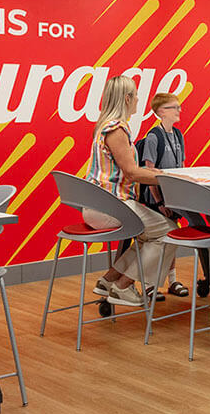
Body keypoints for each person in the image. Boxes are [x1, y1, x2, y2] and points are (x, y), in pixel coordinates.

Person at [82, 75, 175, 307]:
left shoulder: (104, 126)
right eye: (135, 95)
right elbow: (132, 172)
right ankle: (124, 287)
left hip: (98, 205)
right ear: (127, 98)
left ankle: (110, 279)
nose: (138, 100)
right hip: (111, 207)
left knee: (148, 235)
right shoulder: (116, 129)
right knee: (169, 231)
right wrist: (167, 176)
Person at [136, 92, 191, 298]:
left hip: (173, 197)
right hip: (156, 200)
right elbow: (149, 172)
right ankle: (149, 285)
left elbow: (182, 165)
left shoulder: (178, 135)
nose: (179, 110)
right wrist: (159, 202)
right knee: (156, 241)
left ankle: (172, 280)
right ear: (160, 112)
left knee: (173, 236)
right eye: (174, 107)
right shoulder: (153, 137)